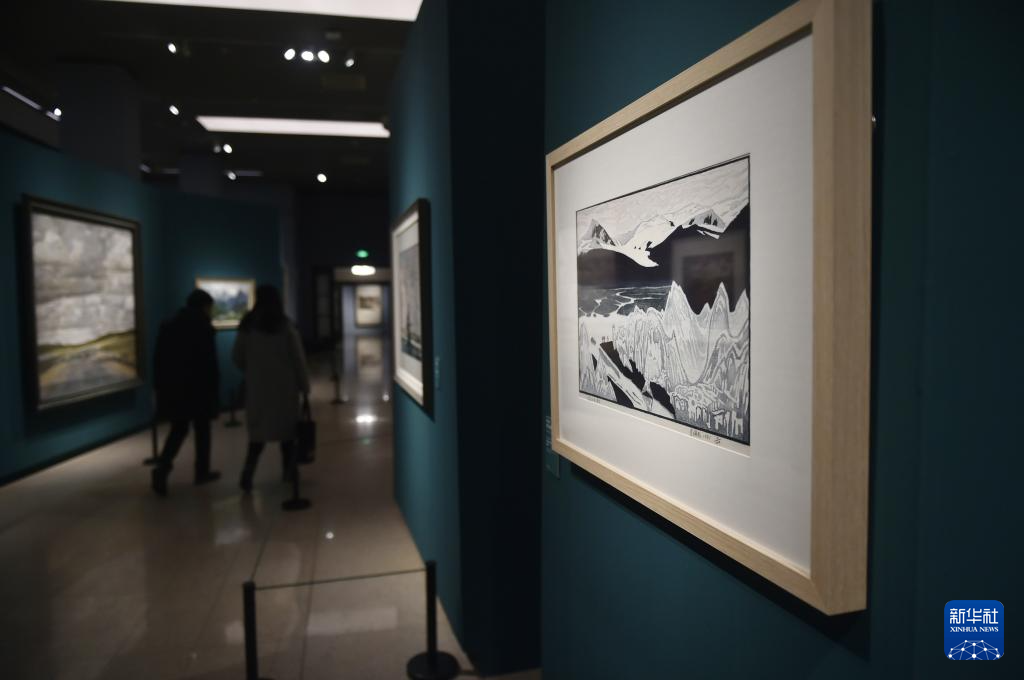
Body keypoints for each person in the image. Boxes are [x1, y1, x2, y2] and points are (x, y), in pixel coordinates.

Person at [233, 284, 310, 493]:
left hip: (258, 390)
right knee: (287, 436)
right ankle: (289, 474)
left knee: (257, 439)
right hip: (284, 390)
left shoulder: (248, 326)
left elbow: (237, 357)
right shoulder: (285, 326)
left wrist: (253, 371)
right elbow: (298, 359)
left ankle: (247, 476)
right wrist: (304, 386)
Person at [151, 289, 221, 496]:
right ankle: (201, 471)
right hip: (199, 387)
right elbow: (209, 363)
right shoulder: (204, 327)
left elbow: (159, 359)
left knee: (178, 429)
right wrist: (214, 389)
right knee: (202, 430)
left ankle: (162, 468)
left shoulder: (169, 325)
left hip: (175, 387)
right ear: (204, 306)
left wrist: (160, 386)